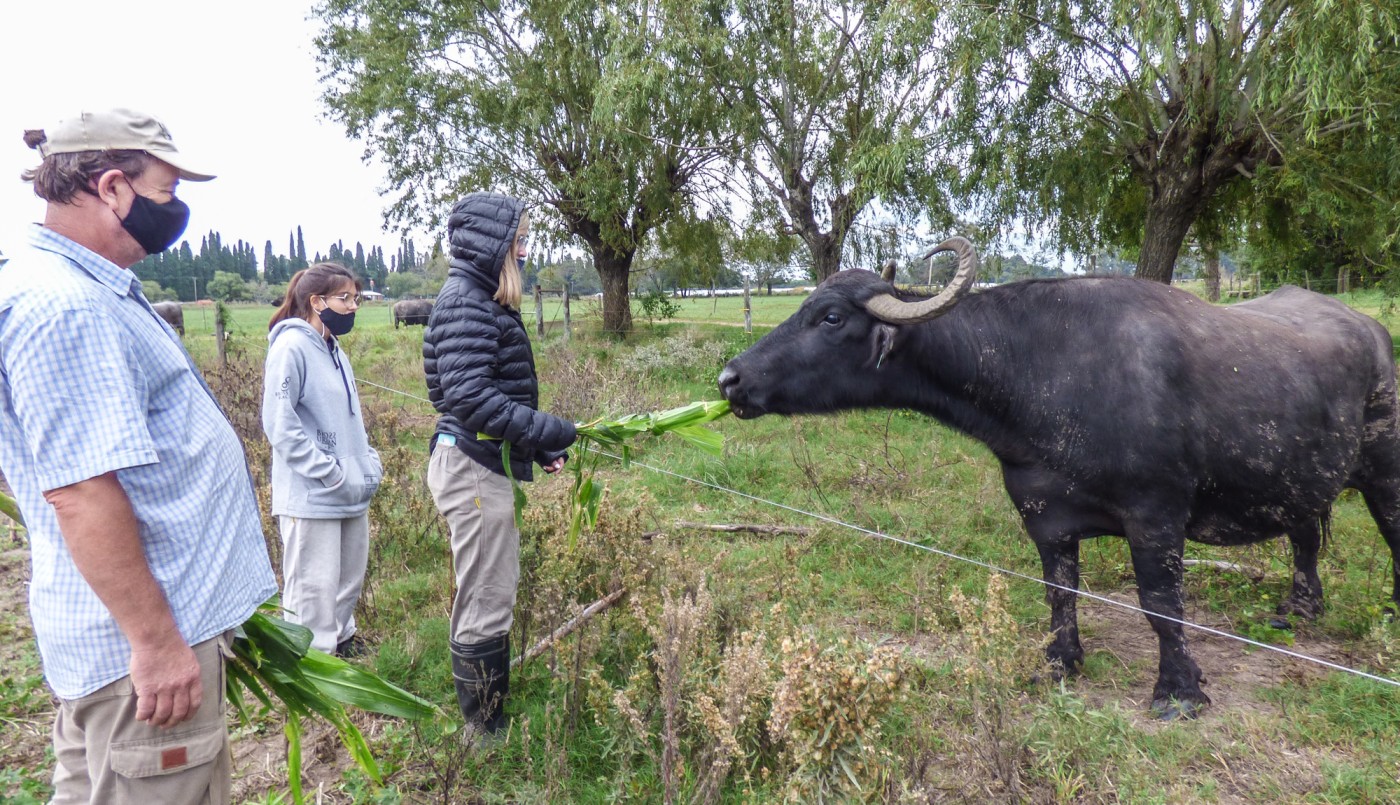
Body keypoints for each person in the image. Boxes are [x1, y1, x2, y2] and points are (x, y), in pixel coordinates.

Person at [0, 108, 277, 802]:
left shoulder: (67, 286)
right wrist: (155, 642)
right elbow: (81, 491)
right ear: (114, 188)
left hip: (121, 652)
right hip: (139, 665)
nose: (176, 211)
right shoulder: (67, 306)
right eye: (166, 193)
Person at [423, 192, 576, 740]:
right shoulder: (467, 301)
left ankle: (486, 716)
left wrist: (534, 447)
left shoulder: (479, 298)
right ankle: (485, 731)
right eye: (519, 240)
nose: (524, 249)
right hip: (472, 468)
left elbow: (481, 395)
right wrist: (548, 429)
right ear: (493, 243)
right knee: (487, 592)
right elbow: (469, 399)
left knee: (489, 585)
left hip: (480, 458)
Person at [262, 262, 381, 657]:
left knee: (348, 579)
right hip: (313, 495)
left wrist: (366, 463)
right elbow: (280, 424)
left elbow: (346, 419)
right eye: (343, 298)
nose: (352, 306)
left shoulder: (335, 351)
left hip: (349, 490)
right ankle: (313, 663)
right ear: (316, 301)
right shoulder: (290, 347)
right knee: (313, 585)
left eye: (355, 298)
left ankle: (341, 642)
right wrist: (328, 473)